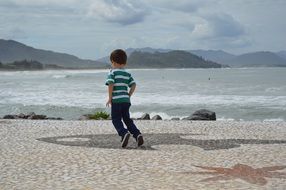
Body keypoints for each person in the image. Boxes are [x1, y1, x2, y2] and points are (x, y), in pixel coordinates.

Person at [105, 49, 144, 148]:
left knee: (116, 119)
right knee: (127, 120)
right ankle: (137, 134)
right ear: (125, 62)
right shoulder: (127, 74)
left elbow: (111, 84)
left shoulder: (112, 72)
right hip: (126, 101)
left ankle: (123, 133)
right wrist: (129, 95)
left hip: (116, 100)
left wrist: (110, 98)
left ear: (112, 62)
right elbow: (134, 85)